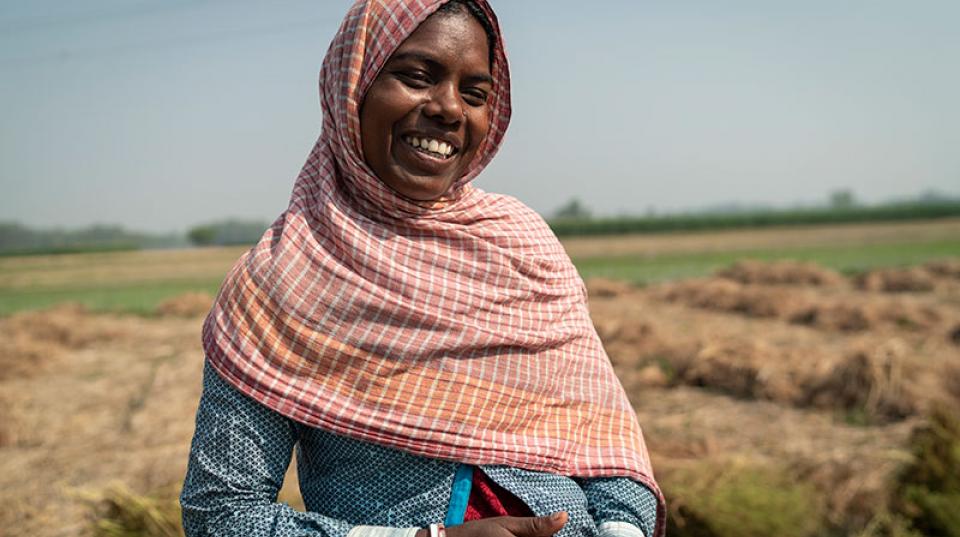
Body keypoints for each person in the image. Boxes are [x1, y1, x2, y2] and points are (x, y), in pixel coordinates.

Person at [180, 1, 665, 536]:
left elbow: (605, 444)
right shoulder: (280, 280)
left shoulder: (523, 247)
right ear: (352, 85)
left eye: (475, 93)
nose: (449, 109)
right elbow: (222, 514)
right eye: (416, 76)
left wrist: (623, 529)